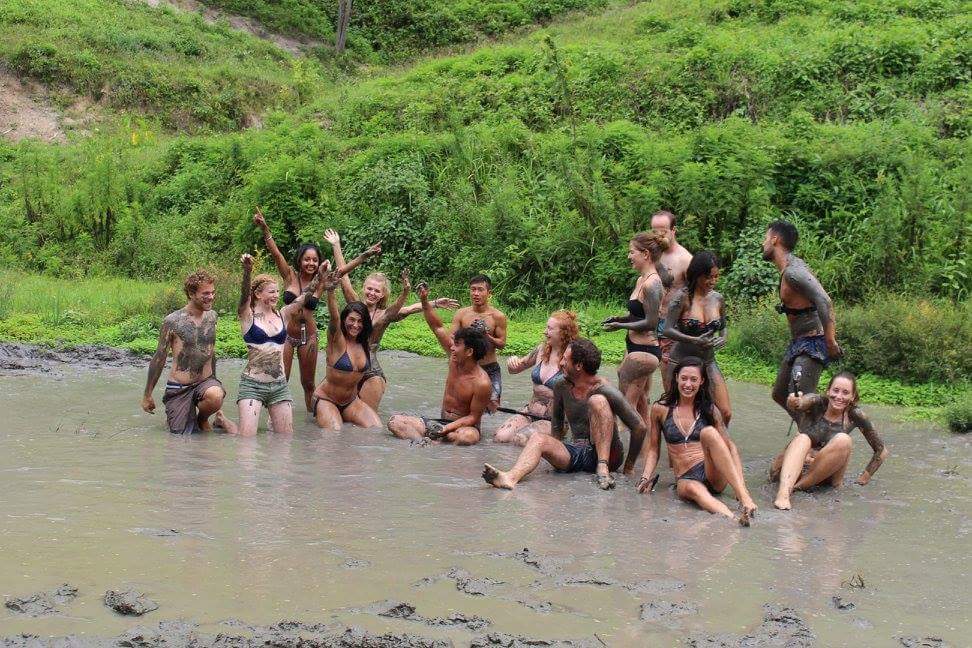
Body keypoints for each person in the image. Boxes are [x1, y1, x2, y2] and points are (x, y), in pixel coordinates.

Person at [253, 208, 379, 411]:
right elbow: (275, 253)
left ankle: (313, 419)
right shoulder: (289, 275)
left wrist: (365, 255)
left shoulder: (321, 279)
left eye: (314, 260)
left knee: (309, 384)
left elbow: (343, 271)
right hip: (286, 335)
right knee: (280, 380)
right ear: (300, 260)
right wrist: (265, 228)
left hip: (309, 337)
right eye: (307, 259)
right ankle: (275, 419)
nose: (310, 263)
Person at [482, 338, 648, 491]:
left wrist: (629, 467)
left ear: (578, 366)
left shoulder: (603, 388)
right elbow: (557, 427)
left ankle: (602, 467)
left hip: (609, 455)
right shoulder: (561, 386)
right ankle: (510, 478)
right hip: (578, 450)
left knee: (597, 400)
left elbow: (639, 427)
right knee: (538, 438)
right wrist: (553, 451)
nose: (560, 363)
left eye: (565, 360)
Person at [325, 229, 459, 411]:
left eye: (377, 291)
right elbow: (344, 277)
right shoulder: (355, 304)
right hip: (347, 363)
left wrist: (434, 302)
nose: (372, 293)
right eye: (369, 289)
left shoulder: (384, 315)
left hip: (370, 367)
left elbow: (409, 309)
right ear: (364, 288)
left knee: (366, 416)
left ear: (383, 294)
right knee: (340, 411)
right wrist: (336, 245)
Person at [637, 356, 757, 525]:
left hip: (711, 473)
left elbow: (730, 448)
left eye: (693, 379)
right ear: (676, 378)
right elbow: (653, 449)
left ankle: (745, 501)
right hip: (685, 478)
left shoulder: (710, 410)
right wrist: (645, 478)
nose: (688, 384)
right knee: (695, 489)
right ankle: (734, 519)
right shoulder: (660, 409)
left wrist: (742, 491)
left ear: (702, 381)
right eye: (684, 378)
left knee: (709, 433)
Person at [387, 283, 492, 446]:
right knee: (395, 422)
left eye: (457, 344)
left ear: (469, 351)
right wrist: (424, 300)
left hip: (463, 428)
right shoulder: (454, 358)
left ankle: (437, 439)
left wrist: (447, 429)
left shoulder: (482, 382)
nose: (452, 347)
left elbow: (473, 417)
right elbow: (437, 327)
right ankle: (423, 442)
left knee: (466, 438)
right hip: (439, 423)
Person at [235, 254, 324, 436]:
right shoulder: (247, 316)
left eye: (277, 291)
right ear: (258, 294)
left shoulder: (283, 314)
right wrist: (247, 271)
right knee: (247, 441)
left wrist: (319, 276)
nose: (276, 295)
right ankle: (226, 424)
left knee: (285, 440)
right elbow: (244, 297)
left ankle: (225, 424)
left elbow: (304, 297)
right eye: (271, 292)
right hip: (253, 385)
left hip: (279, 386)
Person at [771, 372, 888, 510]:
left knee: (844, 440)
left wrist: (862, 480)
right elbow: (799, 403)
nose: (839, 396)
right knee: (803, 438)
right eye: (835, 390)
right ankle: (784, 494)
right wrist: (794, 401)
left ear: (853, 397)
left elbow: (881, 451)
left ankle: (796, 488)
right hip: (791, 469)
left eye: (845, 393)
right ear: (828, 391)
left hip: (820, 475)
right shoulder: (816, 402)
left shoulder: (855, 415)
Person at [761, 220, 841, 417]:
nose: (763, 243)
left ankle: (820, 430)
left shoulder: (794, 272)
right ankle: (815, 426)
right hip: (798, 342)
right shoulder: (789, 268)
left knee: (799, 401)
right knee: (780, 394)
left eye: (765, 238)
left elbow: (825, 301)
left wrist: (830, 342)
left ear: (775, 239)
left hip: (813, 342)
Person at [141, 270, 230, 434]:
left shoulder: (212, 316)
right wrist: (147, 395)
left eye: (213, 292)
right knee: (180, 437)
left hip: (205, 382)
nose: (211, 297)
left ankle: (202, 419)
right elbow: (159, 357)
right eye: (206, 293)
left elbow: (210, 352)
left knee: (215, 395)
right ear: (191, 293)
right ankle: (176, 414)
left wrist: (215, 381)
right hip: (179, 387)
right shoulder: (172, 321)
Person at [603, 231, 668, 429]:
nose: (629, 256)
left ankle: (623, 445)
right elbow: (638, 315)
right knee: (639, 403)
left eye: (632, 252)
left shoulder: (652, 283)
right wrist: (618, 319)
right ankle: (647, 444)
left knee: (625, 407)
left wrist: (620, 326)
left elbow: (651, 322)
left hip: (645, 350)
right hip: (635, 346)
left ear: (645, 254)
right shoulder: (641, 280)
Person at [663, 251, 731, 425]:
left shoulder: (718, 299)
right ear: (697, 274)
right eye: (708, 277)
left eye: (716, 277)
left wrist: (723, 338)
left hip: (707, 361)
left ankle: (713, 441)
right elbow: (667, 330)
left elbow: (723, 327)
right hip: (681, 361)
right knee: (678, 413)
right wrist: (693, 339)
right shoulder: (681, 298)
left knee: (724, 412)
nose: (713, 281)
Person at [493, 310, 579, 446]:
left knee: (521, 439)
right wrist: (512, 362)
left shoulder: (573, 358)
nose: (545, 332)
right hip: (530, 411)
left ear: (563, 333)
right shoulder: (541, 350)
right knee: (500, 437)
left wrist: (551, 393)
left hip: (554, 420)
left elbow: (580, 395)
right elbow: (514, 370)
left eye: (550, 328)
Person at [311, 270, 383, 431]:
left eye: (360, 321)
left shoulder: (364, 342)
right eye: (351, 320)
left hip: (351, 401)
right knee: (335, 433)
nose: (355, 325)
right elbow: (334, 316)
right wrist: (330, 291)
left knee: (375, 430)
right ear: (344, 320)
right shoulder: (336, 339)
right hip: (326, 400)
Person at [450, 275, 508, 412]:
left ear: (489, 293)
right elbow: (451, 338)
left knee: (492, 407)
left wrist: (486, 336)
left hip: (490, 368)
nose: (476, 293)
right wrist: (469, 335)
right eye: (473, 289)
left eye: (480, 290)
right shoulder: (461, 314)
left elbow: (501, 344)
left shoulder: (497, 316)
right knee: (462, 406)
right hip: (466, 368)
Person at [651, 211, 693, 389]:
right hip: (649, 322)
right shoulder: (651, 254)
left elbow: (696, 297)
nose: (658, 235)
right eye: (654, 231)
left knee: (668, 378)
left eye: (663, 231)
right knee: (630, 371)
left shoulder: (685, 259)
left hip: (671, 325)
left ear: (674, 230)